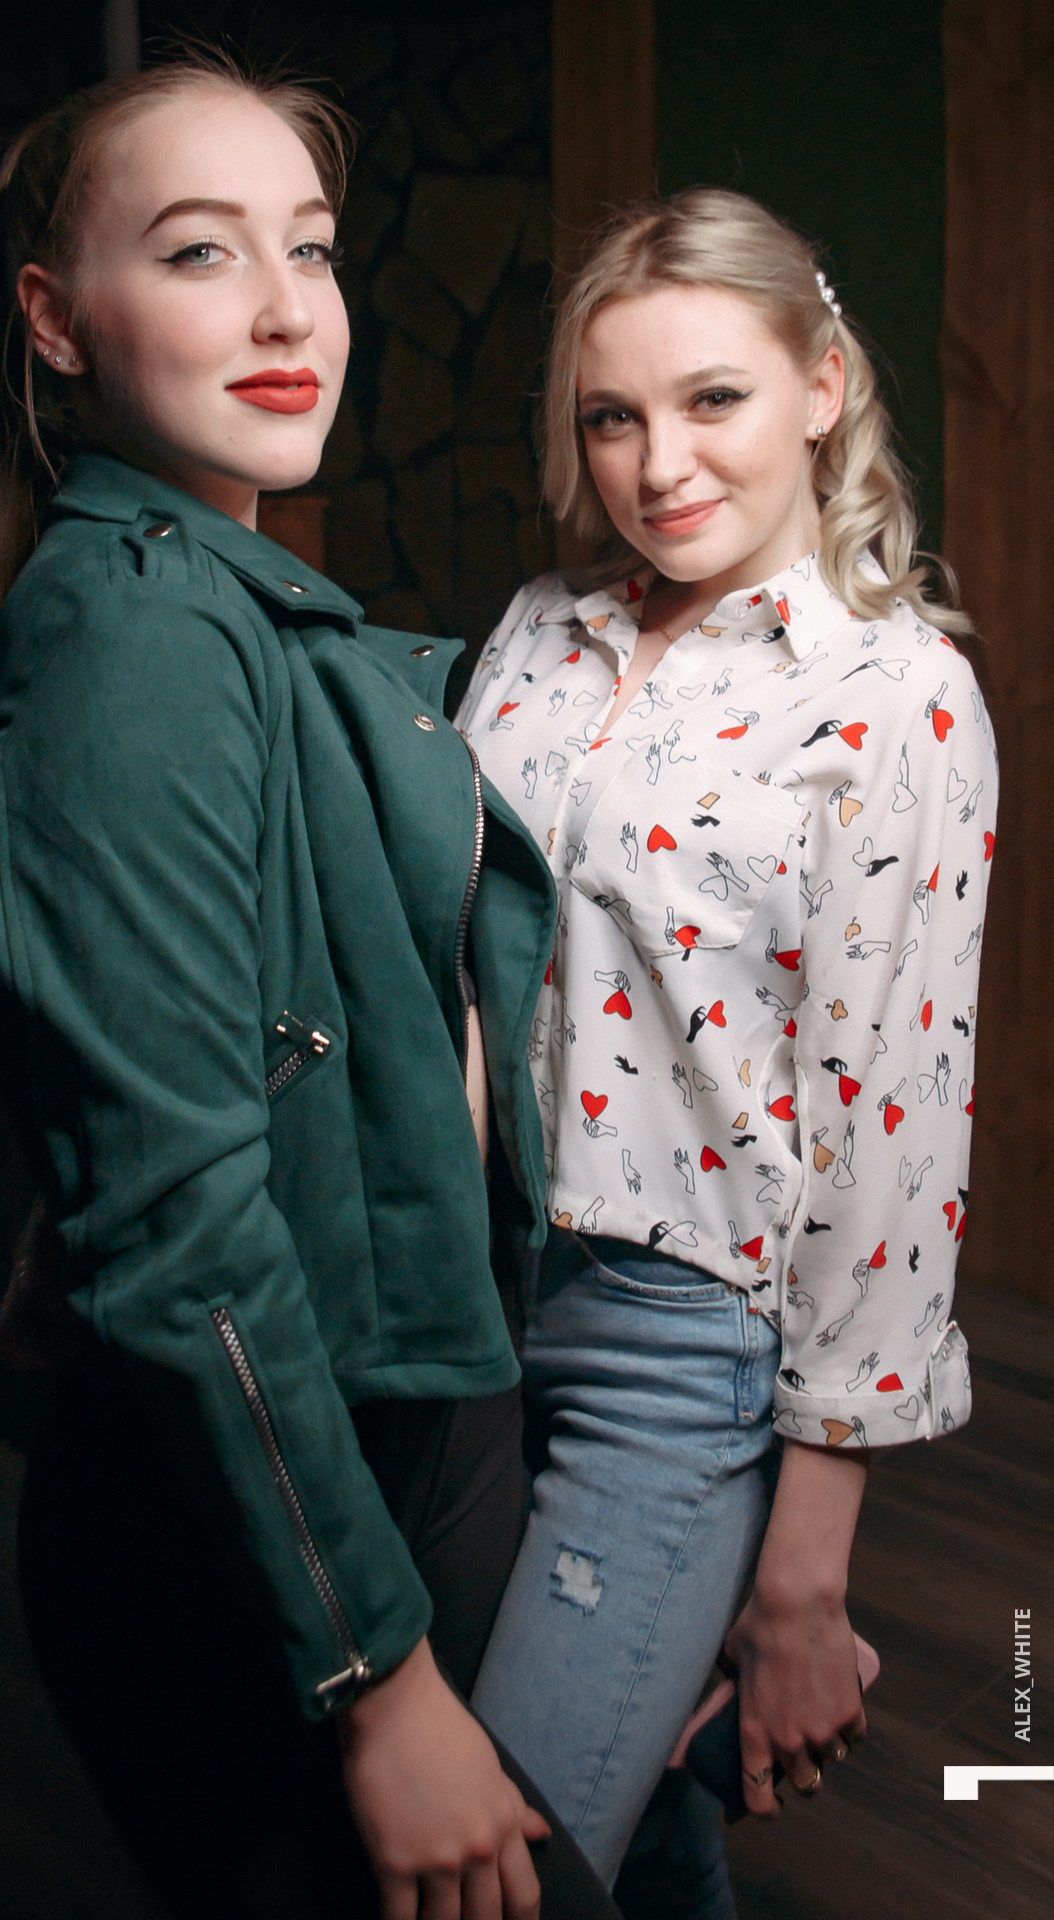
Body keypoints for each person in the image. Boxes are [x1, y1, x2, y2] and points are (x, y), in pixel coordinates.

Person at [0, 47, 620, 1920]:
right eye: (198, 251)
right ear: (55, 321)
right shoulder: (138, 643)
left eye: (307, 247)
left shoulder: (225, 605)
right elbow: (181, 1221)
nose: (283, 309)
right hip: (289, 1531)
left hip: (388, 1431)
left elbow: (208, 1050)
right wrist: (377, 1678)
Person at [457, 188, 997, 1914]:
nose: (659, 463)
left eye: (714, 400)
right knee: (621, 1827)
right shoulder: (540, 632)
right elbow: (449, 958)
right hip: (463, 1297)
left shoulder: (897, 696)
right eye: (612, 416)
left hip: (674, 1344)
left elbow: (891, 1131)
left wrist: (802, 1582)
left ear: (822, 386)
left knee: (510, 1854)